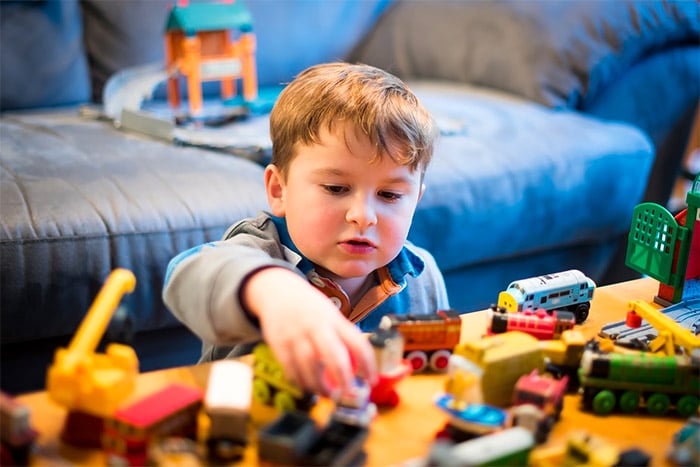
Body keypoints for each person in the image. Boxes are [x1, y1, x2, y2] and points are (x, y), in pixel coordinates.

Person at [163, 62, 449, 397]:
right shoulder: (257, 250)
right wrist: (271, 289)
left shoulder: (422, 276)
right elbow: (185, 275)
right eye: (335, 188)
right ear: (279, 190)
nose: (363, 216)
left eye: (389, 195)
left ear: (414, 201)